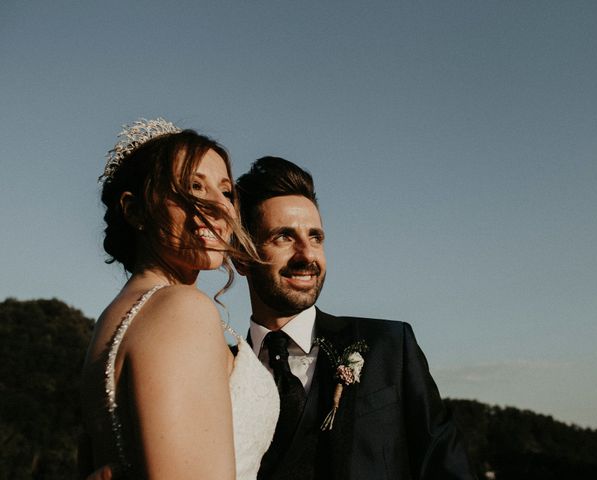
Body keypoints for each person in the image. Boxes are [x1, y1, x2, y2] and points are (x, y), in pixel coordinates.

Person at [234, 156, 476, 480]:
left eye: (316, 237)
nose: (307, 255)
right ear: (240, 256)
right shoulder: (222, 373)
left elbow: (447, 469)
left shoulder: (391, 346)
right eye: (284, 237)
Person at [80, 119, 279, 480]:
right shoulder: (180, 309)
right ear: (136, 210)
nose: (220, 208)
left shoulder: (116, 319)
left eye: (225, 192)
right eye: (193, 186)